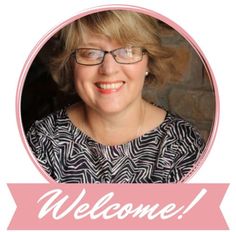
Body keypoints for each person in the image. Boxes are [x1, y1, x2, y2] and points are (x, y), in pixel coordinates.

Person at [26, 10, 205, 183]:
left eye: (127, 51)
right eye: (90, 52)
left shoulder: (183, 145)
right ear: (71, 64)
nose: (109, 70)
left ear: (148, 61)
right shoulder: (44, 141)